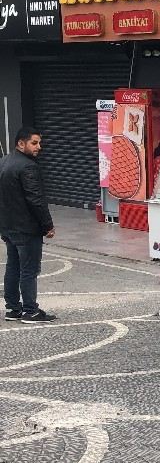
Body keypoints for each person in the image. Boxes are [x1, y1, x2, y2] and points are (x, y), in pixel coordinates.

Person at [1, 127, 56, 323]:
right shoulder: (27, 167)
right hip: (26, 229)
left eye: (39, 143)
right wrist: (47, 225)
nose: (39, 147)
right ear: (20, 143)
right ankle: (30, 310)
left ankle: (13, 309)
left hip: (8, 227)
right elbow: (36, 200)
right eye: (34, 143)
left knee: (13, 267)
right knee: (29, 270)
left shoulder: (4, 162)